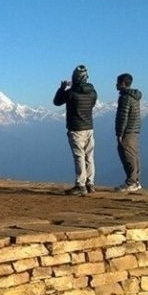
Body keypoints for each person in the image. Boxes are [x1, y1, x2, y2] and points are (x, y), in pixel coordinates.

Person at [53, 64, 98, 196]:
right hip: (89, 127)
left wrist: (62, 88)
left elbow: (57, 102)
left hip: (76, 129)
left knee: (79, 156)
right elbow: (92, 104)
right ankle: (90, 183)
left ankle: (80, 185)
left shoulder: (71, 93)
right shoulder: (93, 92)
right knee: (89, 156)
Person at [114, 73, 143, 192]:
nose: (116, 85)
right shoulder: (134, 97)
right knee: (134, 155)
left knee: (127, 155)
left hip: (127, 131)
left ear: (123, 84)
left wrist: (119, 133)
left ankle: (131, 182)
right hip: (134, 130)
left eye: (118, 82)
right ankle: (135, 180)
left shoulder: (125, 98)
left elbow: (123, 117)